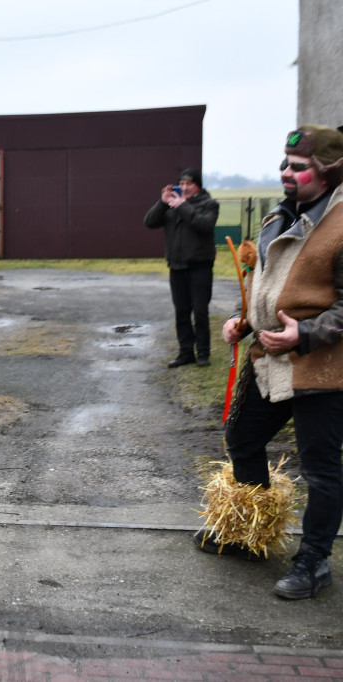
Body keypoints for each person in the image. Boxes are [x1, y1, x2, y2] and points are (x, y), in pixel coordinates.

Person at [208, 124, 343, 599]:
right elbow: (265, 285)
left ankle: (314, 562)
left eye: (299, 167)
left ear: (326, 173)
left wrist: (304, 333)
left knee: (320, 468)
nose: (286, 172)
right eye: (284, 164)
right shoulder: (277, 216)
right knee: (242, 438)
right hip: (268, 358)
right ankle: (252, 533)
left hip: (321, 367)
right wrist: (241, 320)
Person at [144, 168, 220, 367]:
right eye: (182, 183)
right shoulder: (171, 205)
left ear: (198, 186)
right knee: (181, 312)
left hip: (199, 267)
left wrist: (183, 206)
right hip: (176, 267)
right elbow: (149, 221)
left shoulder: (209, 204)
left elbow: (205, 225)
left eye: (189, 184)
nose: (185, 187)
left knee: (200, 311)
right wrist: (163, 202)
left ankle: (203, 353)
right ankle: (186, 352)